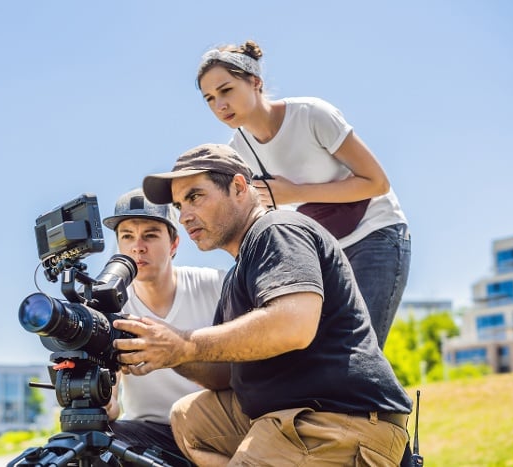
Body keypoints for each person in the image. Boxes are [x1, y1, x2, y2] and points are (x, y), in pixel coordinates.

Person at [111, 144, 412, 466]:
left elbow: (293, 325)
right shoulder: (237, 273)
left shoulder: (278, 229)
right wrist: (165, 352)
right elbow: (222, 376)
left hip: (334, 420)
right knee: (190, 417)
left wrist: (184, 343)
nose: (185, 216)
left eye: (195, 197)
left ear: (239, 187)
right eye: (179, 204)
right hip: (285, 414)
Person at [195, 40, 411, 350]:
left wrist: (293, 193)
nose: (219, 105)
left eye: (226, 90)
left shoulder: (312, 115)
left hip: (375, 235)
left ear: (255, 82)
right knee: (324, 356)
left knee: (360, 351)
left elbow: (377, 182)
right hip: (324, 253)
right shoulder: (237, 153)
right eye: (210, 99)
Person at [100, 188, 224, 463]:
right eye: (127, 236)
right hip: (148, 433)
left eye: (151, 235)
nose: (138, 247)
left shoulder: (217, 285)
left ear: (174, 244)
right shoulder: (110, 306)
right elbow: (112, 405)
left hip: (216, 428)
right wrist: (105, 402)